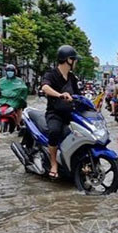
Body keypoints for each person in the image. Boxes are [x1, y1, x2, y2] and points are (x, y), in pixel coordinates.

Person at [41, 45, 81, 179]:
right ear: (68, 60)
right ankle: (53, 164)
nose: (76, 62)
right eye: (74, 60)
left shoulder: (72, 77)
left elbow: (78, 96)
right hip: (55, 113)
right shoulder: (51, 74)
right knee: (55, 132)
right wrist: (59, 95)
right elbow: (45, 87)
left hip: (70, 114)